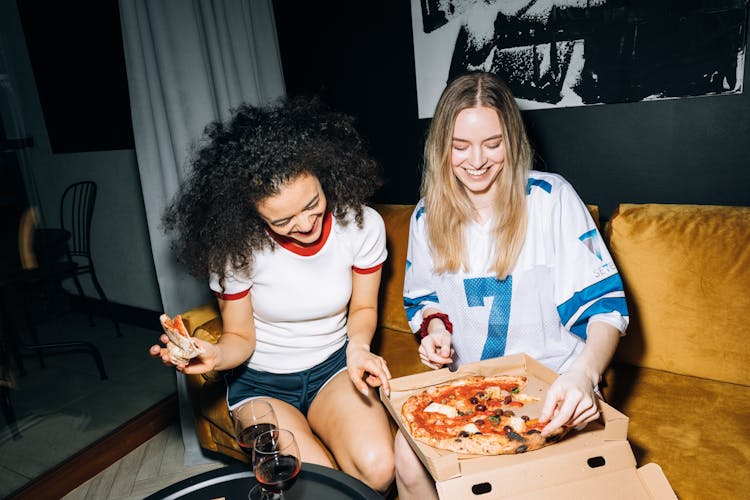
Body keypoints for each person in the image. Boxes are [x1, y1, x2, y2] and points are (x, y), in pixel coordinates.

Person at [395, 71, 629, 499]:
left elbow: (605, 312)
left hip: (554, 383)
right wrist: (435, 332)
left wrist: (583, 375)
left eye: (493, 143)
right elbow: (425, 300)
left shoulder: (551, 199)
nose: (477, 160)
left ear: (513, 141)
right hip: (469, 388)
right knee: (407, 458)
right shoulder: (426, 215)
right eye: (460, 146)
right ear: (439, 147)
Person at [150, 97, 395, 493]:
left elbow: (364, 306)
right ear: (250, 213)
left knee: (380, 468)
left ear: (323, 172)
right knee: (315, 488)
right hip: (261, 384)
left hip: (333, 369)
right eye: (282, 221)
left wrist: (359, 347)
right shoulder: (237, 250)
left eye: (313, 204)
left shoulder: (363, 225)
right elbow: (240, 339)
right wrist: (213, 355)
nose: (305, 224)